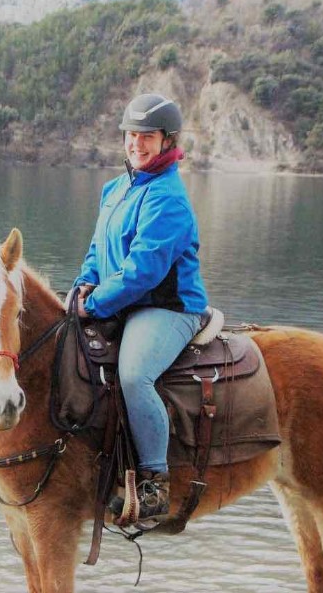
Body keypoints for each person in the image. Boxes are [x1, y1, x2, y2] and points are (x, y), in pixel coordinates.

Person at [73, 93, 209, 524]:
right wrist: (81, 285)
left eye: (146, 136)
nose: (136, 144)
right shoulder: (116, 189)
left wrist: (95, 303)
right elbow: (97, 250)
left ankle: (154, 483)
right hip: (122, 302)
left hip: (166, 307)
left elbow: (143, 271)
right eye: (132, 135)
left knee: (133, 375)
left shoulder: (168, 198)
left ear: (167, 141)